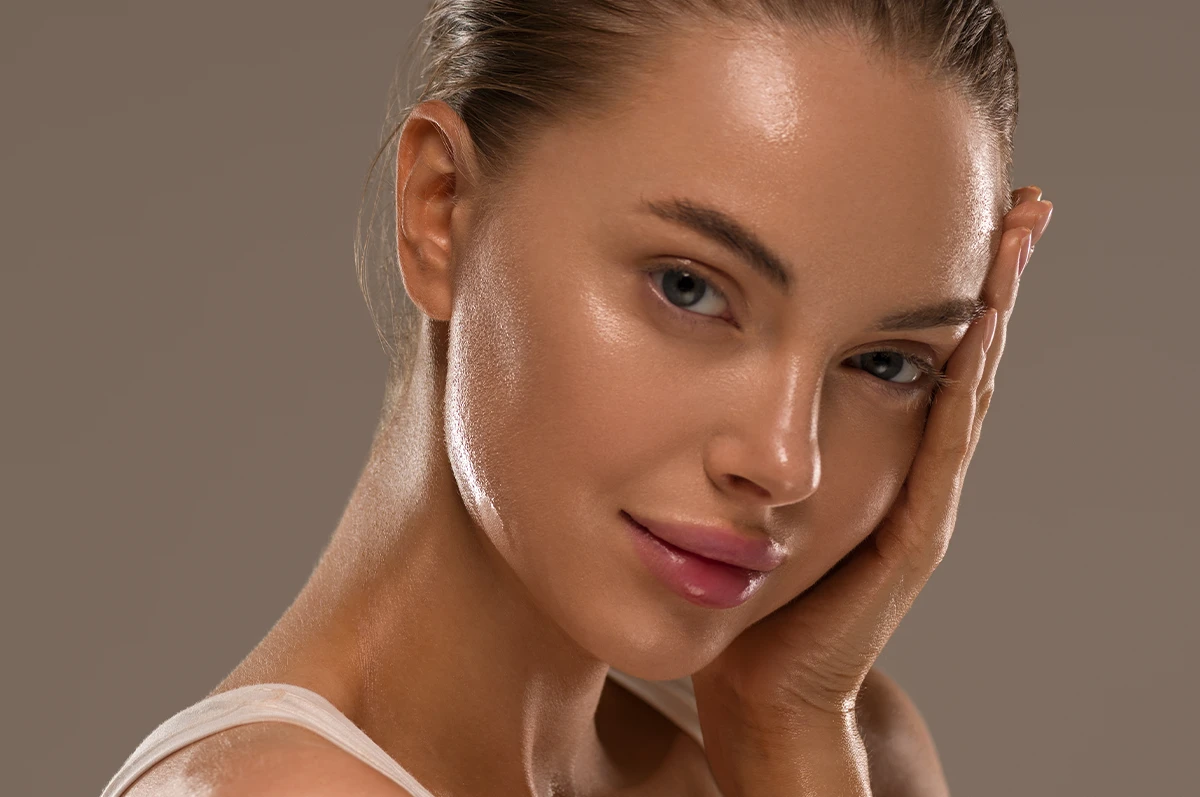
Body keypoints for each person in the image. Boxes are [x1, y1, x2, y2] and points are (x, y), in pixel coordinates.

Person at [100, 1, 1054, 795]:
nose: (783, 461)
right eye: (689, 287)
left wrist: (792, 729)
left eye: (885, 363)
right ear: (440, 209)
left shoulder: (845, 746)